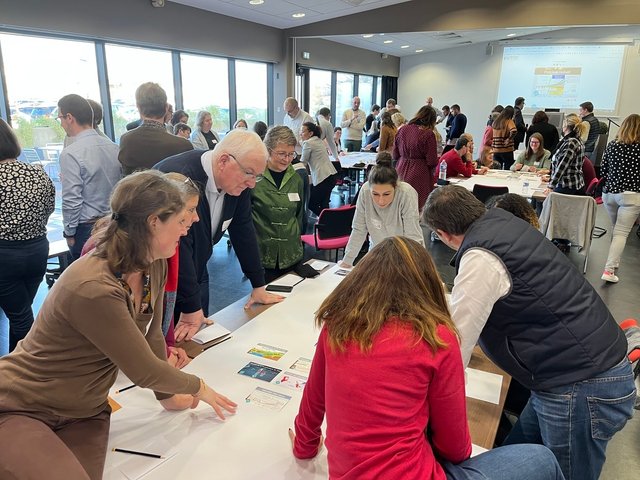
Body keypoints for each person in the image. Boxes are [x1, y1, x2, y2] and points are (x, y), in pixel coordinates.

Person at [0, 171, 237, 480]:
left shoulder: (155, 261)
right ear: (154, 222)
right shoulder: (94, 285)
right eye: (181, 220)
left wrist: (166, 397)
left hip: (86, 411)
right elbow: (143, 370)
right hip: (24, 404)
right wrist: (198, 388)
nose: (189, 225)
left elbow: (151, 337)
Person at [290, 236, 565, 480]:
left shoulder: (337, 326)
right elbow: (456, 449)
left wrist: (304, 446)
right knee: (542, 459)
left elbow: (314, 401)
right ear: (426, 283)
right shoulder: (436, 338)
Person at [422, 185, 635, 480]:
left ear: (443, 234)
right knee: (517, 457)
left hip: (579, 384)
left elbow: (455, 345)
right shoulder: (503, 224)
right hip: (569, 375)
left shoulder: (481, 256)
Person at [154, 129, 283, 341]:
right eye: (249, 173)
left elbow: (244, 230)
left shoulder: (237, 185)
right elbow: (180, 248)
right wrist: (190, 305)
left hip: (197, 270)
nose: (252, 183)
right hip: (163, 277)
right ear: (223, 160)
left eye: (257, 177)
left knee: (194, 340)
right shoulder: (178, 178)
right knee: (167, 343)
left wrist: (258, 284)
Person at [0, 119, 55, 352]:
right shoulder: (37, 173)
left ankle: (35, 366)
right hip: (37, 249)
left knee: (21, 316)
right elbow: (50, 206)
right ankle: (15, 363)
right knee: (21, 311)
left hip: (5, 256)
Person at [57, 94, 122, 260]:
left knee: (86, 281)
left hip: (87, 228)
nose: (62, 124)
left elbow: (72, 198)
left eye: (60, 118)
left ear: (69, 117)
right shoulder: (113, 147)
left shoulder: (71, 153)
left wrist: (69, 232)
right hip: (113, 222)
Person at [339, 152, 423, 267]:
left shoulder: (406, 193)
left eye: (387, 194)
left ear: (395, 187)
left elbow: (412, 236)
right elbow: (359, 229)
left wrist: (413, 267)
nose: (381, 201)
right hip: (377, 252)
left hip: (405, 254)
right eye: (375, 194)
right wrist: (347, 261)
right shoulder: (365, 191)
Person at [251, 126, 304, 283]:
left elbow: (299, 216)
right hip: (263, 256)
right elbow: (244, 221)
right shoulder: (254, 179)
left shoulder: (297, 179)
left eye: (291, 154)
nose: (287, 159)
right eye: (281, 153)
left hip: (292, 254)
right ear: (267, 150)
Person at [119, 83, 193, 175]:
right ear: (166, 108)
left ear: (138, 107)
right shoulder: (183, 145)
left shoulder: (126, 140)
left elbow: (125, 179)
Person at [600, 113, 640, 283]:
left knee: (617, 230)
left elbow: (603, 170)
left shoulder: (612, 145)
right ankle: (609, 270)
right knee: (621, 234)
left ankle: (613, 262)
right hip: (632, 196)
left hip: (610, 194)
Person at [393, 105, 439, 210]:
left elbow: (395, 155)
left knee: (399, 204)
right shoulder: (428, 134)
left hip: (400, 169)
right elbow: (432, 160)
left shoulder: (402, 130)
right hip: (419, 173)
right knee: (416, 207)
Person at [300, 122, 337, 216]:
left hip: (323, 178)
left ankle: (327, 221)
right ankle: (327, 226)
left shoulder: (308, 143)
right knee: (324, 204)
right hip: (331, 175)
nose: (300, 134)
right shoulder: (317, 140)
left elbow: (303, 162)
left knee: (311, 204)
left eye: (302, 131)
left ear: (310, 133)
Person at [545, 113, 587, 195]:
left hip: (568, 186)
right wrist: (550, 178)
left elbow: (562, 166)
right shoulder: (574, 140)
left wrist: (551, 186)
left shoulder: (571, 143)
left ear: (566, 126)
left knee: (544, 202)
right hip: (569, 184)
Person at [491, 105, 517, 170]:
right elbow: (514, 131)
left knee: (496, 168)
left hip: (496, 149)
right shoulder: (509, 121)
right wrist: (509, 139)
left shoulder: (496, 121)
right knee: (507, 168)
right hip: (506, 149)